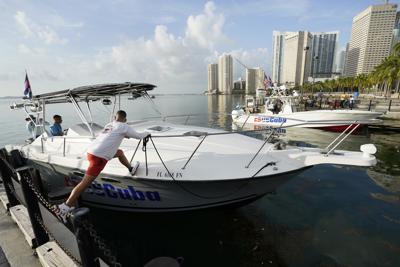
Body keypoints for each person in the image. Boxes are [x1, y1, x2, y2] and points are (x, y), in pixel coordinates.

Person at [54, 110, 150, 223]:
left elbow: (110, 136)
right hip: (99, 158)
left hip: (91, 152)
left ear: (115, 117)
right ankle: (64, 207)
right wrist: (147, 133)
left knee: (119, 152)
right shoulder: (124, 126)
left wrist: (125, 135)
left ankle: (130, 168)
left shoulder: (110, 125)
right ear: (125, 119)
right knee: (84, 183)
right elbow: (139, 136)